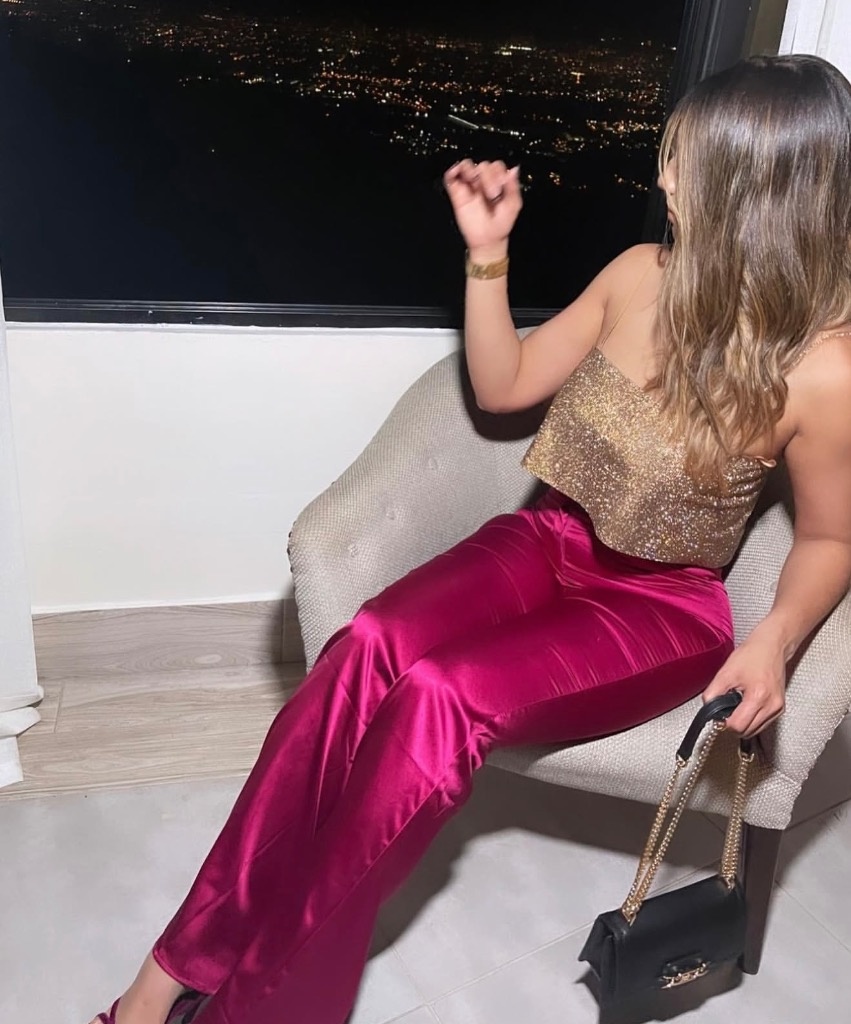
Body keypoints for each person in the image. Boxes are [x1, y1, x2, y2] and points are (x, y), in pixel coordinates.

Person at [91, 54, 851, 1024]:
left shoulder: (823, 370)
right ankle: (170, 971)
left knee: (440, 698)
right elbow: (501, 388)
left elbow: (830, 536)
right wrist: (486, 253)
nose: (664, 176)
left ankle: (261, 1010)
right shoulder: (638, 274)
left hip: (658, 609)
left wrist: (772, 638)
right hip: (544, 538)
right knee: (366, 643)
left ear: (758, 195)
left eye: (687, 162)